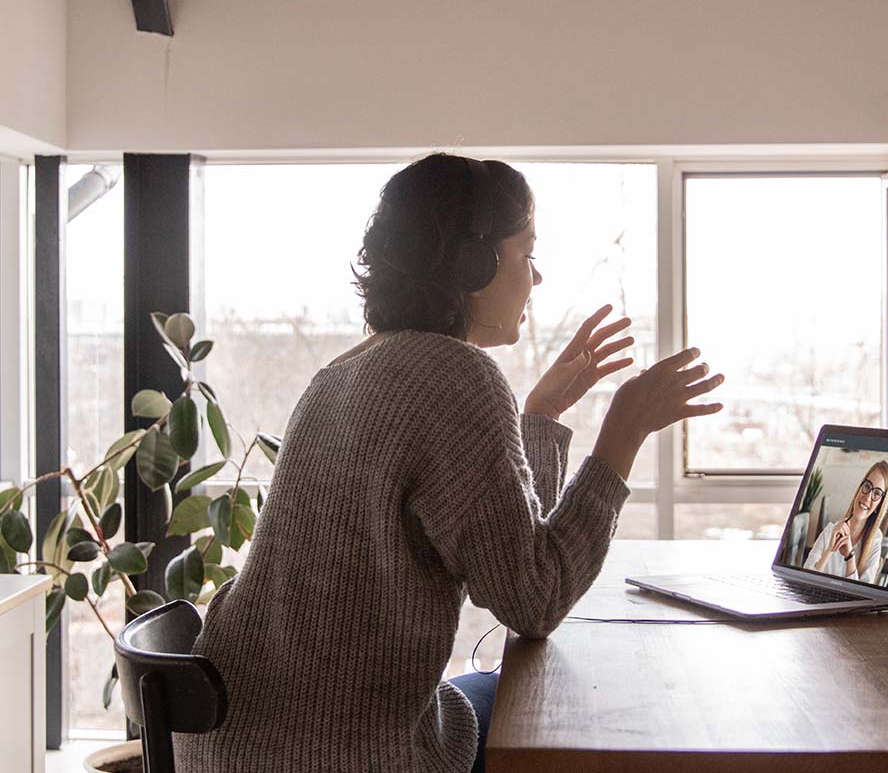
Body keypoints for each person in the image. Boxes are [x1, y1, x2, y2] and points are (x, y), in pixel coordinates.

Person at [176, 154, 725, 773]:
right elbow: (535, 600)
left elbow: (507, 559)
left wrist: (539, 418)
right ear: (472, 262)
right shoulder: (457, 377)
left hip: (233, 738)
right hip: (344, 753)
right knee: (571, 716)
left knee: (505, 693)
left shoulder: (340, 373)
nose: (536, 278)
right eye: (526, 255)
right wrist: (622, 438)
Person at [803, 460, 888, 584]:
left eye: (877, 493)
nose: (867, 497)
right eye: (867, 486)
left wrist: (849, 556)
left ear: (880, 504)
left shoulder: (875, 539)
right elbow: (805, 578)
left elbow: (861, 596)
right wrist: (830, 550)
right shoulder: (830, 530)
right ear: (859, 488)